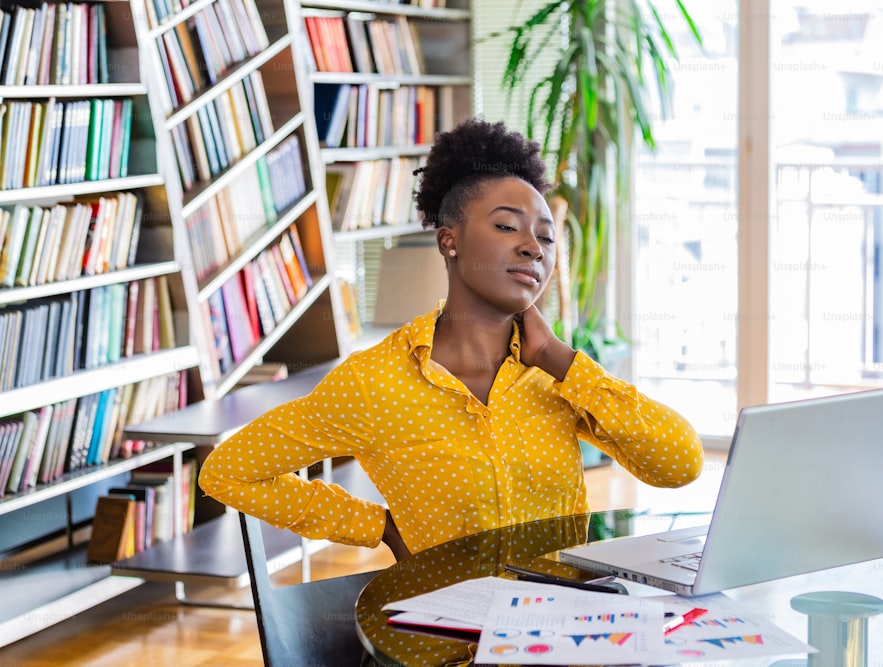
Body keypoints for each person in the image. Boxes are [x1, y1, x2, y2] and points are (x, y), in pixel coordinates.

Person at [198, 118, 704, 560]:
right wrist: (376, 527)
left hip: (563, 624)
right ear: (450, 239)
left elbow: (680, 463)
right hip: (448, 640)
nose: (533, 247)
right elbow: (227, 473)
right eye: (507, 226)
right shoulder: (375, 383)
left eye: (547, 237)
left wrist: (558, 358)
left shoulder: (559, 376)